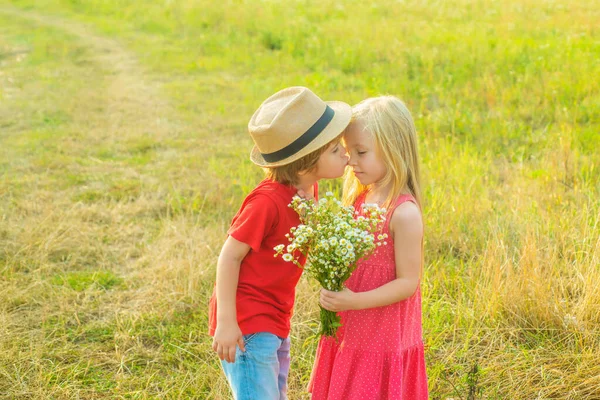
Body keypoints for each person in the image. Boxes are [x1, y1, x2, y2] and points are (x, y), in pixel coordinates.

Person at [209, 86, 351, 400]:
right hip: (247, 322)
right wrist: (227, 322)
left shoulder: (307, 191)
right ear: (304, 164)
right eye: (334, 150)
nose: (346, 153)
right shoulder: (267, 202)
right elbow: (229, 257)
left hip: (275, 317)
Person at [309, 96, 429, 399]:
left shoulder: (403, 212)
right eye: (348, 152)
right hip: (350, 328)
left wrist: (354, 301)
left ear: (393, 150)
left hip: (382, 336)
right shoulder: (361, 198)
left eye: (361, 152)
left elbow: (408, 283)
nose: (351, 161)